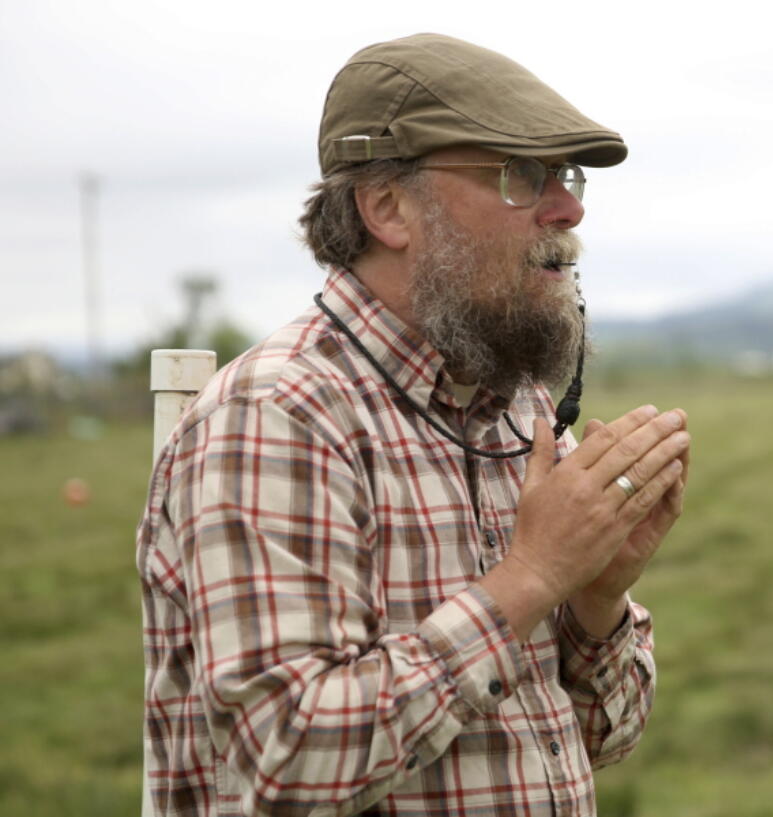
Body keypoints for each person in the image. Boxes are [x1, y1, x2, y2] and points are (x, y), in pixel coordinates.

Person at [136, 33, 690, 816]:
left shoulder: (514, 407)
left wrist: (598, 593)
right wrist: (532, 577)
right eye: (520, 174)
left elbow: (607, 735)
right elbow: (289, 760)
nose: (569, 207)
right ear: (390, 207)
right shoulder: (280, 414)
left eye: (564, 175)